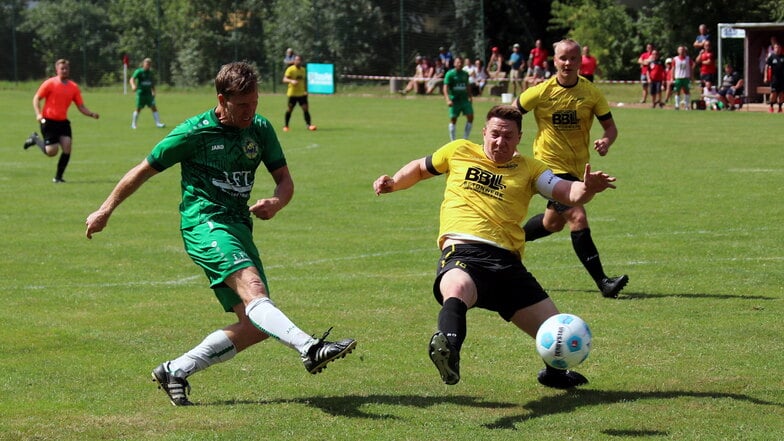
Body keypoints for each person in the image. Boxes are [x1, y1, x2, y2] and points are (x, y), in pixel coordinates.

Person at [84, 61, 356, 406]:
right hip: (204, 223)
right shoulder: (193, 133)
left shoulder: (259, 128)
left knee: (257, 325)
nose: (250, 112)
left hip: (239, 227)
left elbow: (284, 180)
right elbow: (143, 170)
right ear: (221, 99)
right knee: (254, 289)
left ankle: (175, 370)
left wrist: (277, 201)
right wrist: (105, 209)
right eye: (242, 105)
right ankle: (310, 347)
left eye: (255, 103)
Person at [372, 105, 618, 388]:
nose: (501, 142)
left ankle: (554, 373)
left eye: (509, 136)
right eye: (496, 134)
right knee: (458, 289)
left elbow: (567, 191)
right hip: (464, 250)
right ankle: (449, 351)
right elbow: (419, 168)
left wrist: (587, 188)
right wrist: (394, 183)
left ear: (519, 138)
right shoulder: (459, 150)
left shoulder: (531, 168)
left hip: (508, 265)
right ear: (484, 132)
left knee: (556, 329)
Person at [512, 39, 628, 298]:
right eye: (563, 58)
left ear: (580, 61)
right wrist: (513, 146)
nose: (567, 63)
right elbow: (509, 114)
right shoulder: (540, 92)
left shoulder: (591, 93)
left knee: (552, 223)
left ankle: (507, 242)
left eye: (573, 58)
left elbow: (610, 127)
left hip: (576, 170)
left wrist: (606, 141)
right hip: (547, 168)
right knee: (577, 216)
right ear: (554, 60)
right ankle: (604, 283)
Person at [23, 58, 100, 183]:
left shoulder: (73, 87)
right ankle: (35, 139)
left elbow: (80, 106)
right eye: (62, 69)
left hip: (63, 122)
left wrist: (91, 114)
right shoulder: (50, 83)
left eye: (66, 68)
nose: (64, 71)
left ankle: (58, 177)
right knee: (52, 152)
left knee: (67, 147)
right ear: (57, 70)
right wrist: (38, 114)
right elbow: (37, 98)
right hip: (48, 121)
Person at [442, 57, 473, 141]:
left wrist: (470, 96)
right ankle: (453, 140)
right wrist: (448, 99)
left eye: (461, 62)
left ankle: (465, 139)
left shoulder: (465, 74)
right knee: (453, 119)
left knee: (470, 117)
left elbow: (467, 86)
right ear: (454, 63)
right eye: (458, 62)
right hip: (454, 100)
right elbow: (445, 88)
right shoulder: (450, 74)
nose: (460, 64)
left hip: (464, 100)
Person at [282, 54, 316, 131]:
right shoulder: (290, 69)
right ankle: (286, 126)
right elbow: (284, 79)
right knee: (290, 109)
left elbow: (304, 81)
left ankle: (309, 125)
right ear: (294, 61)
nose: (298, 61)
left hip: (302, 94)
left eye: (299, 60)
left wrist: (306, 90)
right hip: (293, 94)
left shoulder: (303, 70)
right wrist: (291, 81)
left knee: (305, 109)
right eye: (297, 60)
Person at [130, 58, 165, 129]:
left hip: (148, 94)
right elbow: (132, 79)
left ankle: (158, 123)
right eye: (147, 64)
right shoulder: (139, 71)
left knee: (154, 107)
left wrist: (154, 91)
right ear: (143, 64)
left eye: (149, 64)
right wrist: (133, 85)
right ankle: (133, 124)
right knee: (138, 108)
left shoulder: (150, 73)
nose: (148, 65)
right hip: (141, 93)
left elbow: (152, 83)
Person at [672, 46, 693, 110]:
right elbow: (673, 68)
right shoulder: (675, 59)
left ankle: (687, 105)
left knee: (686, 91)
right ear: (678, 51)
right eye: (680, 50)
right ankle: (677, 105)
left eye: (683, 50)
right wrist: (672, 77)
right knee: (677, 91)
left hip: (686, 77)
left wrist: (691, 76)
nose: (681, 51)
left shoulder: (688, 58)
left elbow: (691, 67)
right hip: (678, 77)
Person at [765, 43, 784, 113]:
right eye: (776, 48)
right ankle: (771, 107)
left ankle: (780, 108)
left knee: (781, 94)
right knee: (773, 93)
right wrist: (765, 77)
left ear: (781, 49)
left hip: (782, 79)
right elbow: (766, 67)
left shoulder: (783, 57)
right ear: (774, 49)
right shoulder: (771, 57)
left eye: (779, 48)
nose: (777, 49)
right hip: (774, 79)